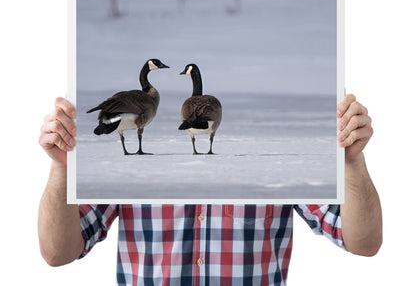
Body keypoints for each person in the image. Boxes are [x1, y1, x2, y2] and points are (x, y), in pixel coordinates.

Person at [38, 94, 382, 285]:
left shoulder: (272, 165)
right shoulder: (129, 166)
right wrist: (61, 168)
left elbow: (363, 242)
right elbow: (58, 252)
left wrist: (351, 162)